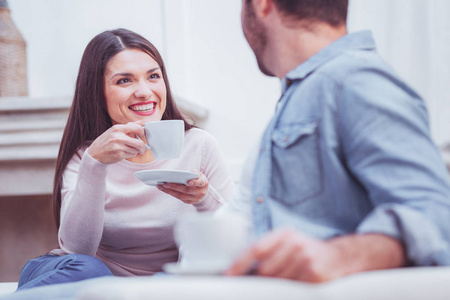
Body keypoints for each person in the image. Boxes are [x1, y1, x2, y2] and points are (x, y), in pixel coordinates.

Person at [224, 0, 450, 282]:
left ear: (262, 5)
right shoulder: (310, 90)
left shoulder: (352, 79)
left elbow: (437, 214)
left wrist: (340, 255)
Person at [15, 28, 235, 291]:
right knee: (89, 269)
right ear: (97, 92)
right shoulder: (86, 155)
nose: (144, 91)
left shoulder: (199, 145)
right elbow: (77, 250)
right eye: (124, 81)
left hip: (157, 287)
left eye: (153, 76)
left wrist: (203, 198)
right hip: (82, 277)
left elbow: (235, 238)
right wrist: (94, 164)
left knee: (174, 283)